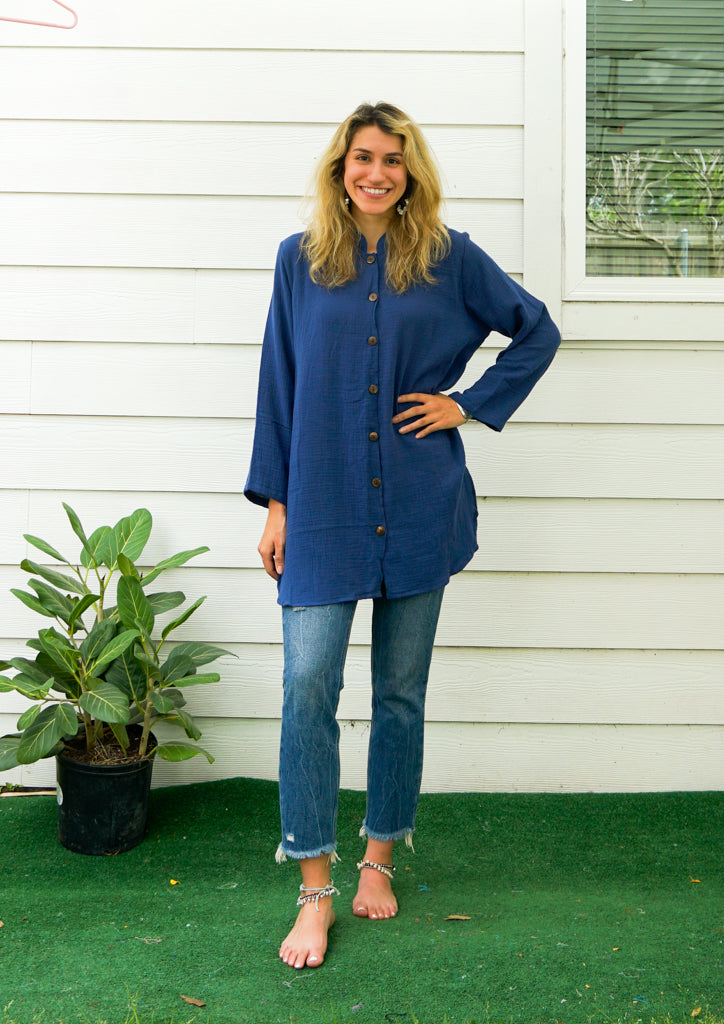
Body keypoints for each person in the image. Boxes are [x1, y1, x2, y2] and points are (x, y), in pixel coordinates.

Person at [244, 101, 560, 970]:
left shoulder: (451, 260)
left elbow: (538, 329)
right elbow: (281, 381)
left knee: (399, 691)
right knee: (306, 685)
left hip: (421, 502)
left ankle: (379, 857)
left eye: (392, 159)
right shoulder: (300, 262)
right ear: (339, 168)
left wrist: (470, 403)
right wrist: (274, 503)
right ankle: (315, 890)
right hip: (321, 503)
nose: (375, 172)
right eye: (361, 158)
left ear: (411, 170)